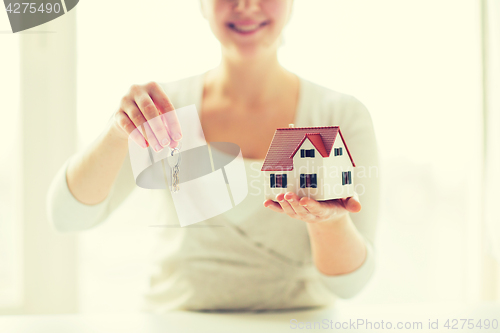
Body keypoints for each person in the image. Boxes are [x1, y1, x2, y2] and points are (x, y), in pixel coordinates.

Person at [47, 0, 380, 312]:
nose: (246, 5)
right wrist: (117, 133)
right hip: (174, 321)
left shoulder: (339, 115)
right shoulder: (163, 108)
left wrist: (330, 222)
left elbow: (350, 286)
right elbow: (67, 218)